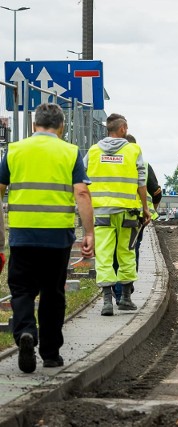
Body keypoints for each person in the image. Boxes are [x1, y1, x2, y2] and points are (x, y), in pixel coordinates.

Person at [0, 103, 94, 373]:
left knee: (21, 290)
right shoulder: (70, 152)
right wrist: (88, 233)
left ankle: (25, 333)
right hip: (57, 237)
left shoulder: (15, 150)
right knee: (53, 294)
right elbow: (82, 194)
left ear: (34, 125)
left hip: (22, 234)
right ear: (62, 127)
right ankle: (51, 354)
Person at [84, 114, 150, 316]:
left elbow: (82, 179)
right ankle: (126, 299)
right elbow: (141, 181)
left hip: (102, 212)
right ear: (122, 129)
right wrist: (145, 208)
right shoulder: (133, 150)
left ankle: (106, 302)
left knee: (104, 254)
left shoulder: (93, 152)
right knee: (126, 253)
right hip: (127, 213)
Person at [112, 133, 162, 303]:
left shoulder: (111, 164)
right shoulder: (144, 165)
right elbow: (156, 192)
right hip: (137, 216)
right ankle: (126, 288)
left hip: (111, 213)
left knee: (114, 251)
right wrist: (151, 209)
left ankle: (118, 290)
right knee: (132, 249)